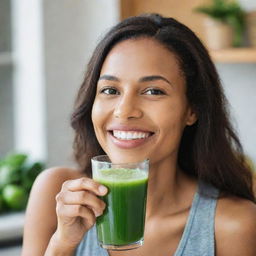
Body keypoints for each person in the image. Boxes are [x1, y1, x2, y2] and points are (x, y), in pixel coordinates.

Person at [22, 13, 256, 256]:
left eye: (153, 91)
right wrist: (62, 243)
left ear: (192, 110)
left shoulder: (232, 225)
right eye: (110, 90)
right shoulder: (54, 194)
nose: (124, 111)